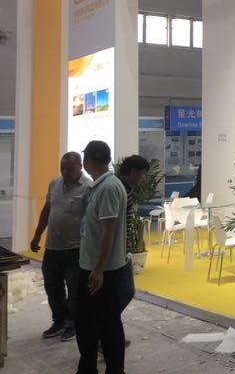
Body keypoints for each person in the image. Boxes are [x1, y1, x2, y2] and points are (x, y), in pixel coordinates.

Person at [75, 140, 128, 374]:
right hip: (93, 265)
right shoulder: (102, 186)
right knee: (88, 322)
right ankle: (87, 367)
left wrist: (98, 269)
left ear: (87, 161)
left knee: (107, 325)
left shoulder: (108, 188)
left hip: (102, 270)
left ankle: (115, 370)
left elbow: (108, 230)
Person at [30, 151, 90, 342]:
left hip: (75, 249)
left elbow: (91, 220)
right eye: (62, 167)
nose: (65, 171)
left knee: (74, 290)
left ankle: (73, 324)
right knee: (52, 288)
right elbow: (47, 210)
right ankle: (59, 321)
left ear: (80, 167)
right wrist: (37, 235)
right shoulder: (54, 183)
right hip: (52, 248)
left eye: (69, 168)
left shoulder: (88, 187)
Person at [116, 155, 149, 315]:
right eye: (142, 174)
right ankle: (106, 323)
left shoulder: (125, 189)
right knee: (126, 290)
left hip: (122, 249)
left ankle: (107, 322)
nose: (143, 179)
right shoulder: (119, 189)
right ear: (133, 172)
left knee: (125, 291)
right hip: (117, 251)